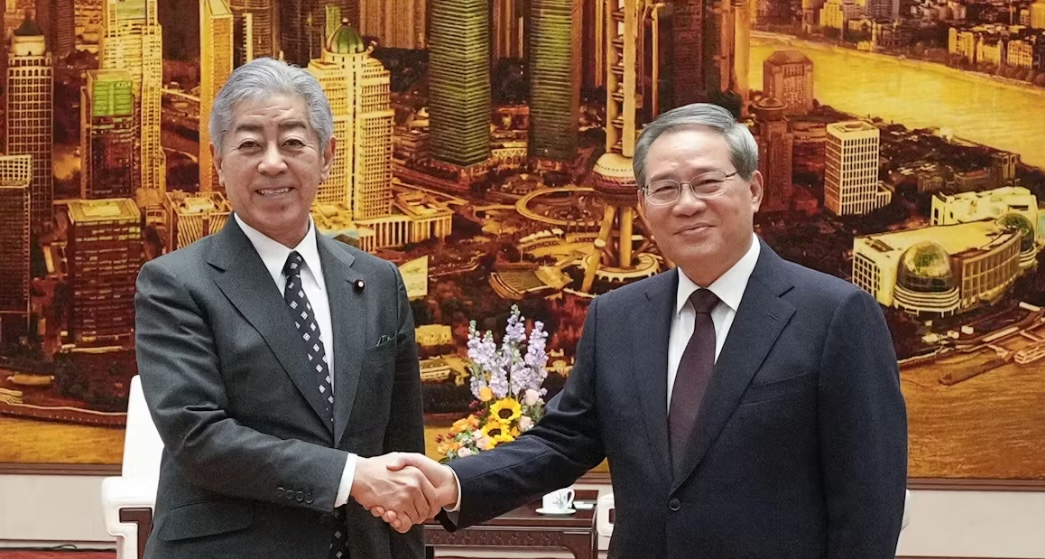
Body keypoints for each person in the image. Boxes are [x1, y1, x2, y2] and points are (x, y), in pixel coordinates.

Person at [384, 103, 909, 558]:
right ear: (643, 206)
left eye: (707, 182)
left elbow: (869, 502)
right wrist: (453, 482)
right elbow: (563, 442)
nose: (687, 203)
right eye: (665, 188)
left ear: (753, 190)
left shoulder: (835, 315)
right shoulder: (618, 317)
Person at [135, 57, 431, 559]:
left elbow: (402, 454)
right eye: (250, 145)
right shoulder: (175, 284)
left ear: (327, 155)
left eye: (293, 142)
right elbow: (199, 438)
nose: (273, 163)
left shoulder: (380, 281)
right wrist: (350, 476)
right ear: (218, 160)